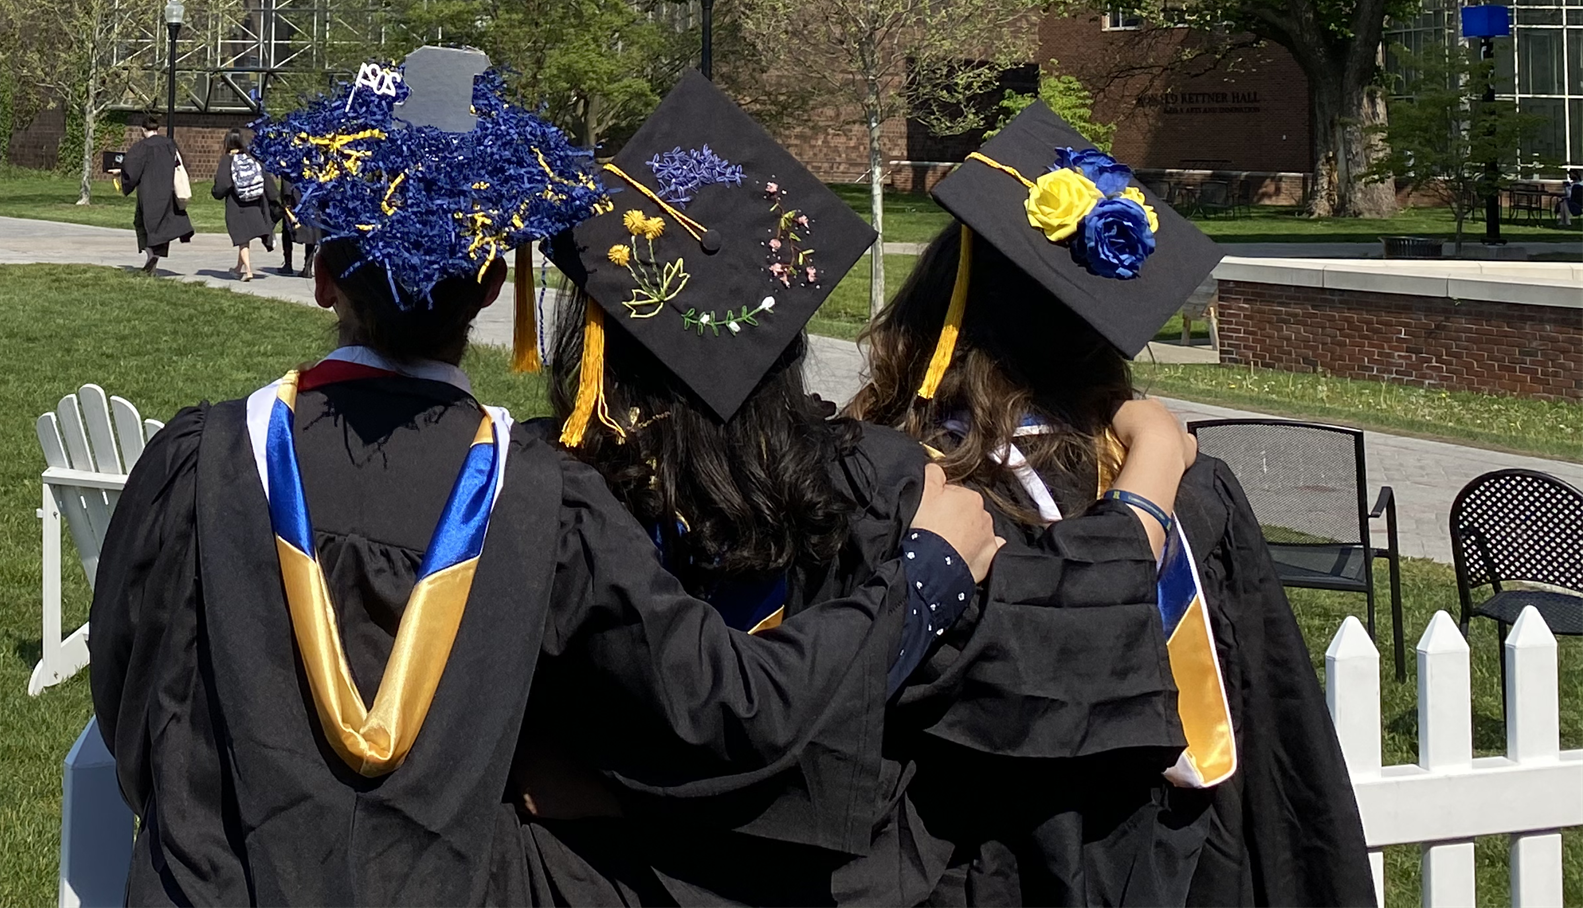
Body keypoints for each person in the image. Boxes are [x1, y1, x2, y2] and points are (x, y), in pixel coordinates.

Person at [91, 47, 999, 908]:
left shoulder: (198, 461)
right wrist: (925, 578)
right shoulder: (540, 500)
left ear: (323, 275)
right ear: (494, 290)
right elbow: (731, 704)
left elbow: (132, 699)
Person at [527, 71, 1194, 907]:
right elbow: (1056, 635)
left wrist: (604, 787)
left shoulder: (538, 493)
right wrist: (1147, 489)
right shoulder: (877, 487)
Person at [852, 102, 1375, 908]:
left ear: (939, 312)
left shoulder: (894, 486)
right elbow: (1278, 753)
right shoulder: (1182, 486)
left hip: (950, 870)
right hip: (1165, 863)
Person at [114, 113, 193, 273]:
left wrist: (120, 174)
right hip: (167, 192)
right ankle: (155, 258)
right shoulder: (170, 145)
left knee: (142, 224)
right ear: (157, 129)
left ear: (143, 129)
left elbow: (131, 171)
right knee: (162, 225)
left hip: (148, 194)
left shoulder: (141, 148)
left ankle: (151, 255)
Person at [210, 127, 275, 279]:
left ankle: (248, 270)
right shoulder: (250, 157)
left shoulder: (228, 159)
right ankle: (238, 268)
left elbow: (223, 184)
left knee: (242, 238)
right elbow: (264, 176)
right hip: (253, 202)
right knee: (244, 239)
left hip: (236, 203)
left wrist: (215, 192)